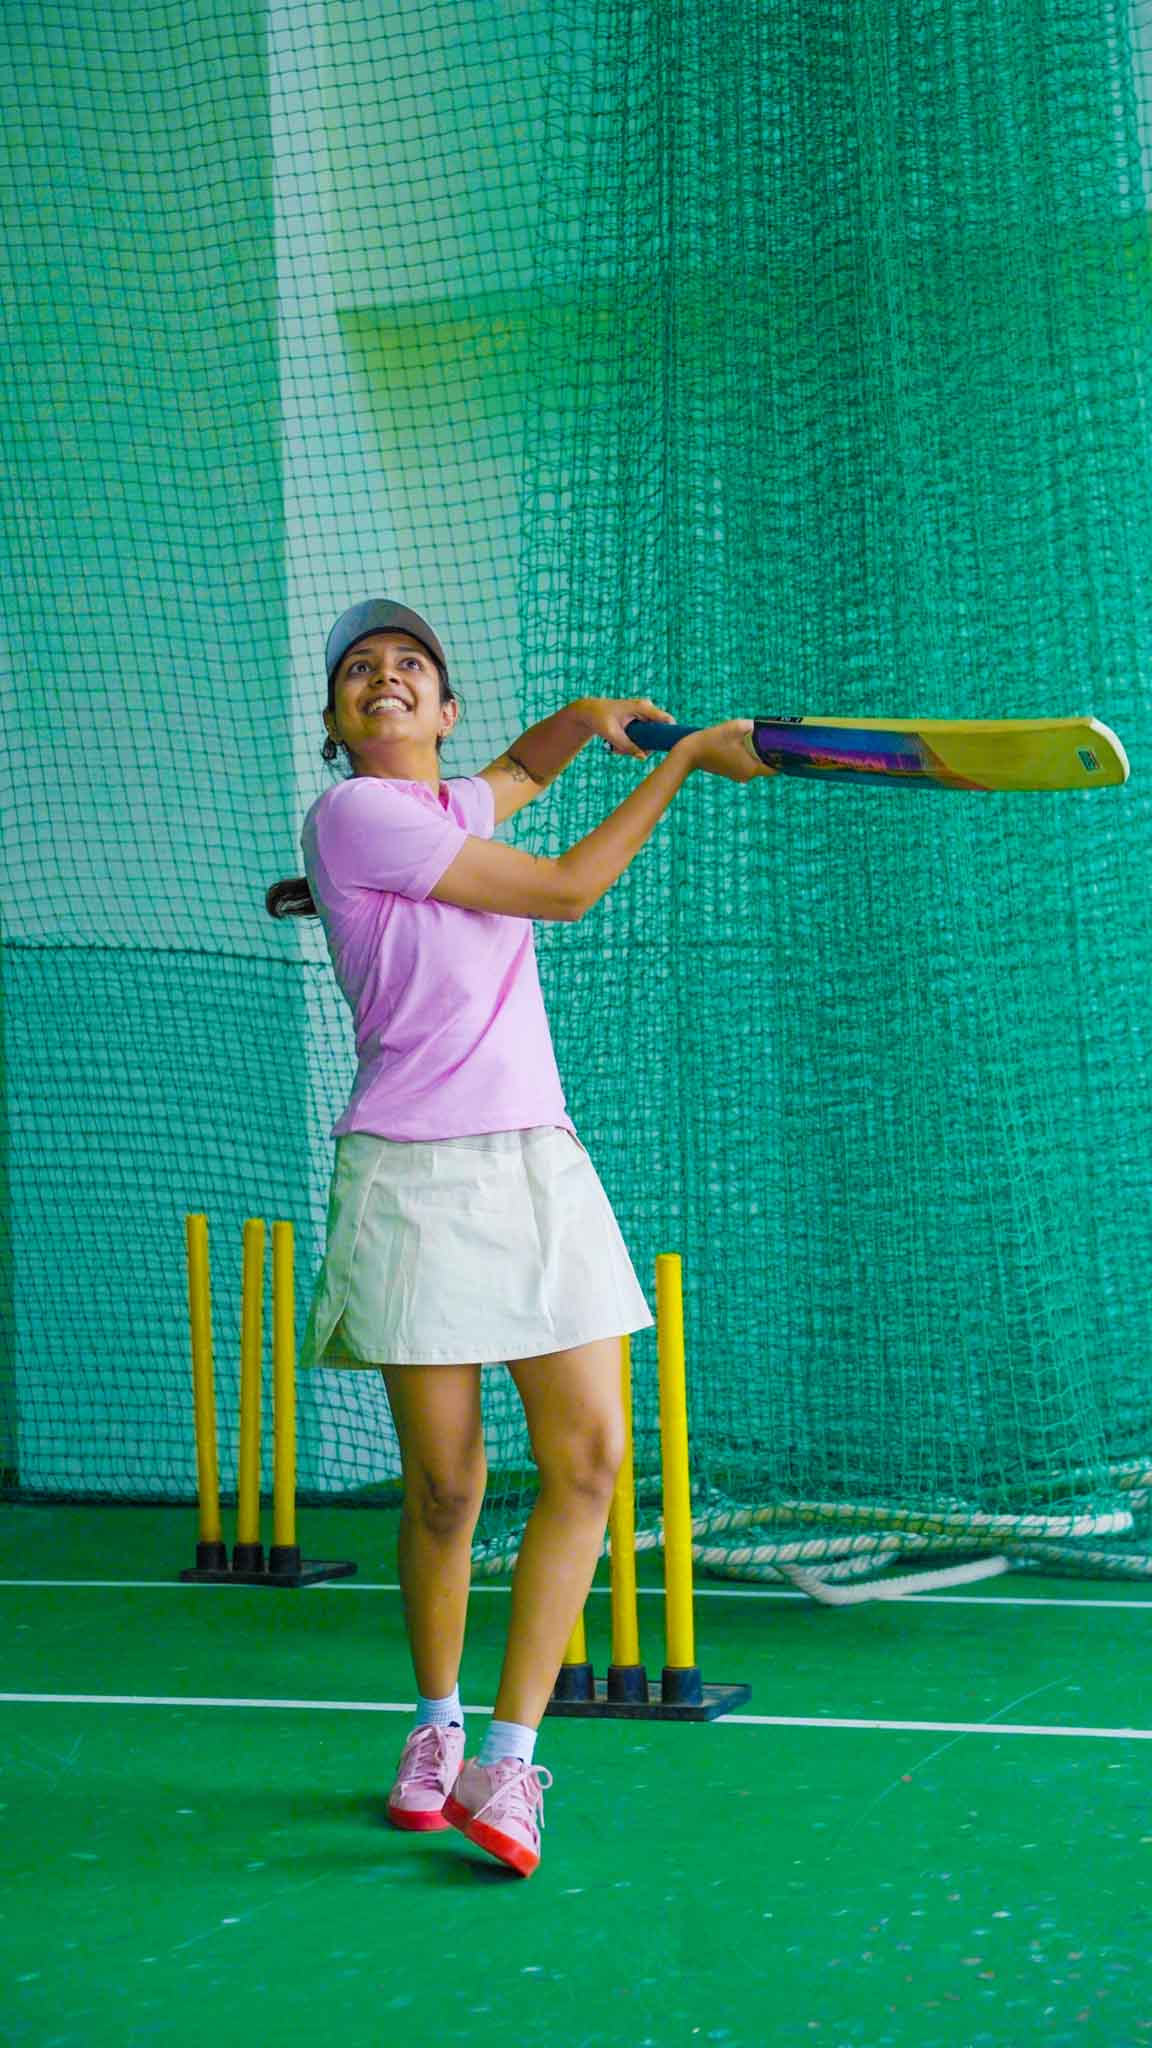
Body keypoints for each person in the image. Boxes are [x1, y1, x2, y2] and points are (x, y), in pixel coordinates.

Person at [266, 597, 777, 1878]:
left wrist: (579, 723)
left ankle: (509, 1753)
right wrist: (677, 762)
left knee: (592, 1459)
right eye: (360, 673)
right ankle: (434, 1729)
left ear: (443, 708)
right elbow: (562, 890)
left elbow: (513, 779)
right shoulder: (355, 816)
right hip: (413, 1177)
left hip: (537, 1161)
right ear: (339, 724)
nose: (385, 677)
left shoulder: (447, 809)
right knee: (447, 1484)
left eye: (413, 667)